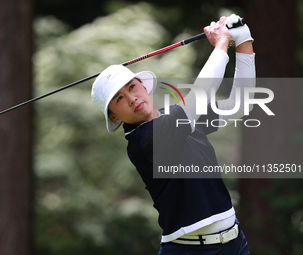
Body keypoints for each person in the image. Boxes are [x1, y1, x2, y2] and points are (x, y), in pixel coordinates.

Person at [91, 14, 255, 255]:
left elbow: (240, 105)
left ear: (143, 86)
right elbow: (198, 96)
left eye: (132, 87)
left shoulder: (176, 116)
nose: (132, 98)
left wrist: (243, 40)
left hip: (235, 243)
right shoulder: (143, 141)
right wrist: (221, 44)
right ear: (114, 116)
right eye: (119, 99)